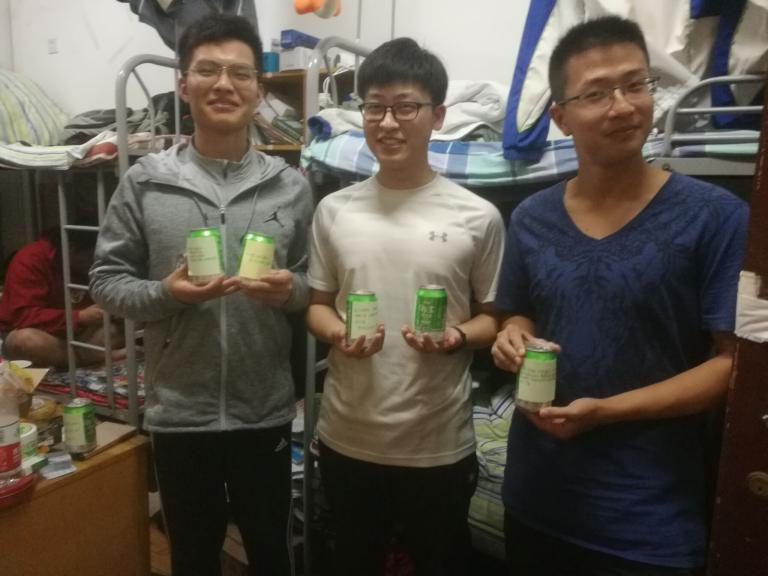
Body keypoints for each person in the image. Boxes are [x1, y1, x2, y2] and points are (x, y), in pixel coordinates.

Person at [491, 16, 749, 576]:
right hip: (536, 497)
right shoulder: (531, 217)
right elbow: (518, 313)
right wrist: (511, 335)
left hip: (647, 520)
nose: (624, 106)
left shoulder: (716, 217)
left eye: (636, 84)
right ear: (559, 117)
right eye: (597, 93)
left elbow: (733, 364)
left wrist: (606, 412)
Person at [89, 14, 312, 576]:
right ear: (184, 85)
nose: (224, 84)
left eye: (240, 73)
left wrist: (290, 291)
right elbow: (106, 282)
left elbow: (315, 286)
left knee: (272, 553)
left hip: (264, 410)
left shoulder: (291, 186)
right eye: (208, 70)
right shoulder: (145, 181)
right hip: (179, 414)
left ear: (258, 90)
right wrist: (168, 293)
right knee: (191, 557)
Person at [306, 37, 505, 576]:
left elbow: (493, 319)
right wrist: (340, 334)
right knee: (351, 562)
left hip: (437, 442)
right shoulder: (334, 210)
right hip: (348, 435)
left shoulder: (477, 216)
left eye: (405, 107)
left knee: (441, 563)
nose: (388, 122)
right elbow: (317, 306)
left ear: (437, 116)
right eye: (374, 107)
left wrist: (456, 337)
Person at [0, 227, 123, 368]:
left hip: (79, 335)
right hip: (40, 333)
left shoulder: (91, 266)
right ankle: (90, 357)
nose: (93, 263)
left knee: (129, 322)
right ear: (71, 249)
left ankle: (83, 357)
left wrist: (111, 311)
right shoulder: (31, 258)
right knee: (25, 340)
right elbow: (24, 317)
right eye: (90, 257)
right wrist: (79, 317)